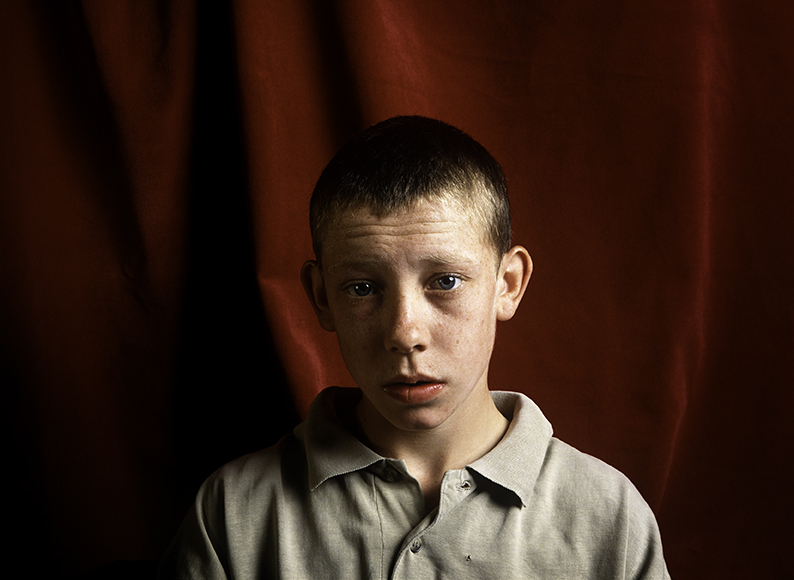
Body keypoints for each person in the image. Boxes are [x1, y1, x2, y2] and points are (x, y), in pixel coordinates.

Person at [160, 115, 670, 579]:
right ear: (322, 297)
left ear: (508, 284)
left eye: (445, 281)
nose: (404, 333)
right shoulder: (233, 515)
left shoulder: (610, 519)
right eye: (363, 288)